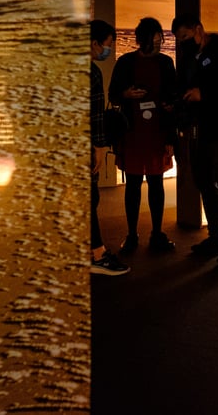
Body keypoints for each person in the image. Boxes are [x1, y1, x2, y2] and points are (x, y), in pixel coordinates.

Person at [171, 13, 218, 267]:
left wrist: (203, 94)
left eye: (185, 36)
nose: (183, 42)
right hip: (200, 130)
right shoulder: (189, 57)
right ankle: (217, 236)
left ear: (198, 29)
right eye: (179, 39)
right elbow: (185, 86)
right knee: (204, 181)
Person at [108, 17, 178, 254]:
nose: (157, 45)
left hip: (158, 131)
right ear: (141, 40)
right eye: (153, 41)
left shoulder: (166, 63)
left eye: (159, 40)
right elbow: (113, 95)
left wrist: (171, 138)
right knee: (133, 184)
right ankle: (132, 234)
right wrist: (126, 94)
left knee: (157, 183)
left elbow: (173, 99)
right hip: (132, 131)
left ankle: (157, 233)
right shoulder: (125, 62)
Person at [89, 19, 130, 276]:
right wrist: (100, 146)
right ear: (94, 43)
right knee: (89, 198)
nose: (109, 50)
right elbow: (95, 115)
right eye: (107, 44)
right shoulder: (91, 72)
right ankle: (97, 255)